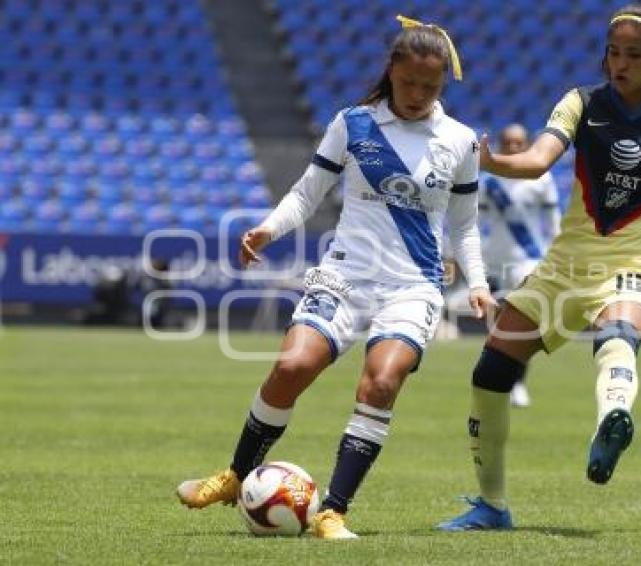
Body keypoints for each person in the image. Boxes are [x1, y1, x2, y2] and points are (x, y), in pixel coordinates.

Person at [176, 16, 495, 540]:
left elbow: (464, 225)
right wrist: (267, 229)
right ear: (391, 70)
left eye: (430, 87)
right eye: (409, 82)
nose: (418, 94)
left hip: (413, 287)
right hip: (345, 275)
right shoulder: (353, 123)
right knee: (291, 364)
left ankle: (333, 511)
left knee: (382, 381)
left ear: (444, 85)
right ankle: (235, 477)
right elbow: (307, 192)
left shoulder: (460, 141)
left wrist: (478, 283)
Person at [437, 3, 641, 531]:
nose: (620, 63)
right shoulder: (581, 103)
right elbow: (540, 159)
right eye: (613, 52)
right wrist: (496, 162)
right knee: (492, 369)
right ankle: (492, 505)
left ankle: (612, 418)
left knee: (616, 333)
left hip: (633, 264)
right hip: (564, 266)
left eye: (634, 54)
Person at [479, 123, 561, 407]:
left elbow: (552, 224)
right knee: (498, 327)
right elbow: (476, 223)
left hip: (529, 259)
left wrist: (556, 256)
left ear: (526, 145)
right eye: (508, 143)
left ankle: (519, 384)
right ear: (501, 144)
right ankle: (497, 380)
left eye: (519, 143)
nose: (514, 147)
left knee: (522, 325)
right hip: (495, 261)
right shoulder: (488, 181)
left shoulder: (541, 179)